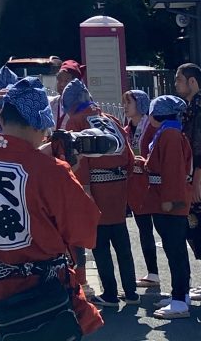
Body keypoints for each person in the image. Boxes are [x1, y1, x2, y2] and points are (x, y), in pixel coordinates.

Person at [0, 76, 103, 339]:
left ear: (1, 120)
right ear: (41, 125)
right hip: (46, 300)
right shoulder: (53, 171)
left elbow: (8, 159)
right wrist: (70, 170)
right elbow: (84, 230)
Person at [60, 79, 137, 308]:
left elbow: (79, 160)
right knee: (122, 243)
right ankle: (131, 293)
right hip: (119, 186)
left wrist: (84, 190)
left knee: (101, 244)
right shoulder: (110, 119)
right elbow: (130, 155)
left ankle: (111, 294)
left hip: (95, 188)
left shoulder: (77, 121)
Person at [138, 95, 193, 319]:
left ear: (156, 114)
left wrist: (169, 200)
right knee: (175, 251)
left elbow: (171, 171)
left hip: (168, 202)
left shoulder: (168, 134)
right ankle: (181, 295)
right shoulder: (170, 132)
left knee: (175, 251)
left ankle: (180, 300)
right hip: (166, 199)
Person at [122, 89, 160, 288]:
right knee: (144, 230)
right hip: (135, 186)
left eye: (129, 102)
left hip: (152, 183)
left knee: (164, 230)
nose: (125, 106)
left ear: (141, 104)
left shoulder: (152, 126)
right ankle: (152, 272)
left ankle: (180, 280)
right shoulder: (126, 129)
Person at [175, 62, 201, 296]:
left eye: (179, 79)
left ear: (192, 81)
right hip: (194, 174)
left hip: (199, 176)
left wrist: (196, 181)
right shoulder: (192, 106)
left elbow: (199, 149)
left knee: (198, 226)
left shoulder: (199, 107)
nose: (176, 84)